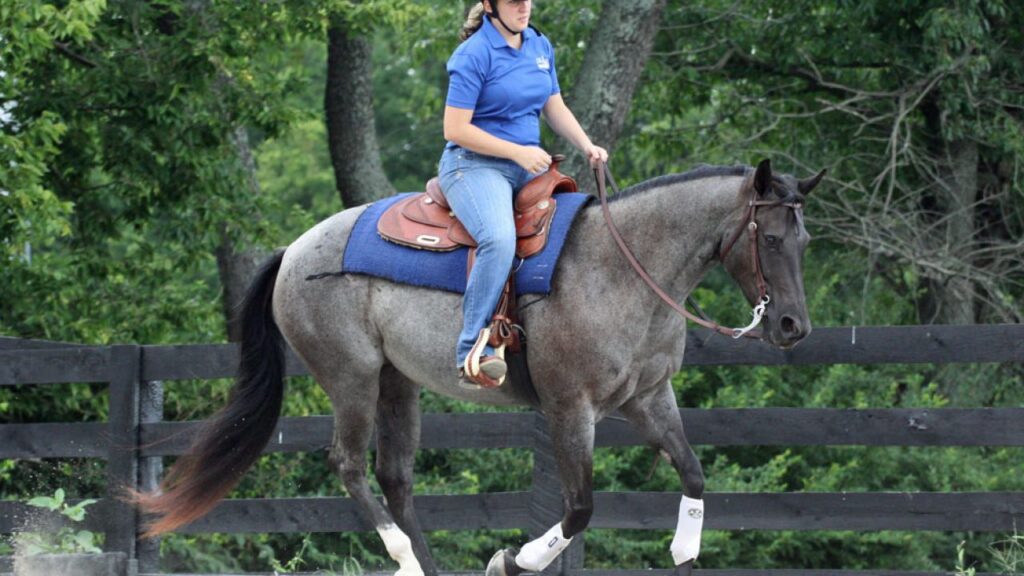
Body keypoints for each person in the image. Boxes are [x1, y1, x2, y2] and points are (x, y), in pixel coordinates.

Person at [438, 0, 608, 388]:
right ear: (489, 5)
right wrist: (516, 151)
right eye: (514, 1)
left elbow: (554, 105)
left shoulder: (538, 45)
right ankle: (471, 353)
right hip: (474, 167)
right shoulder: (472, 54)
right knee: (499, 240)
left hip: (528, 168)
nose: (524, 7)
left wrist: (587, 145)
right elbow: (455, 129)